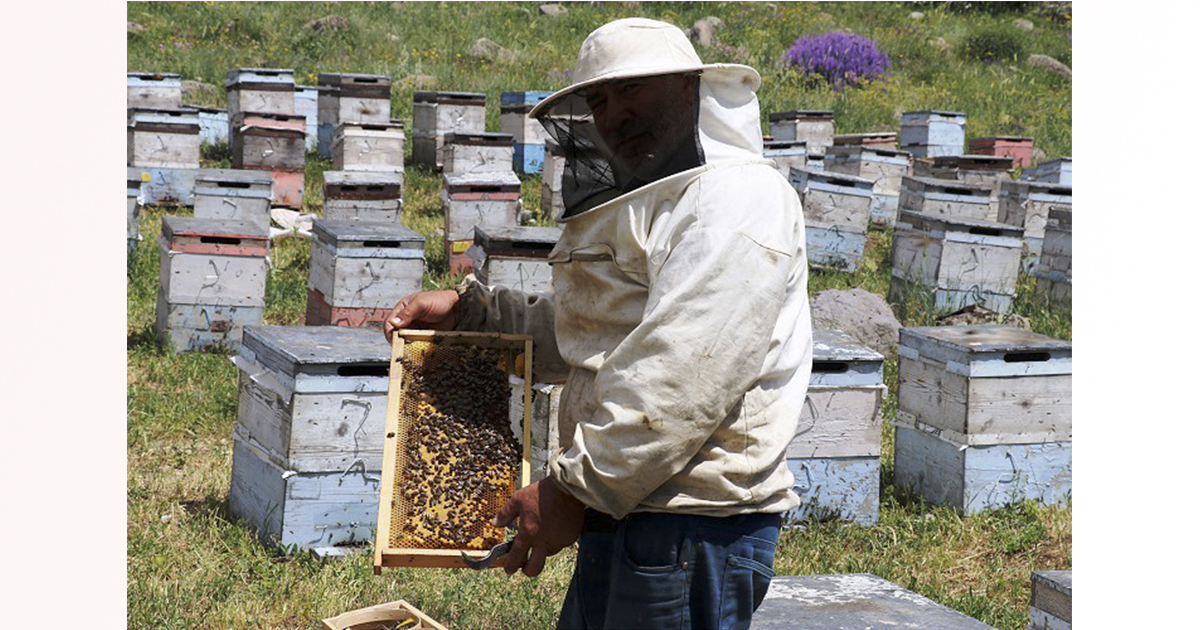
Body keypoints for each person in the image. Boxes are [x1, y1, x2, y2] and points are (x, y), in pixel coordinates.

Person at [385, 18, 812, 630]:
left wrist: (571, 490)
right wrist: (475, 312)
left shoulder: (736, 200)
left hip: (692, 526)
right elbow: (602, 330)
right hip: (626, 506)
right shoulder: (663, 199)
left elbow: (681, 373)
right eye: (601, 100)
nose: (615, 115)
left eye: (633, 91)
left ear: (689, 87)